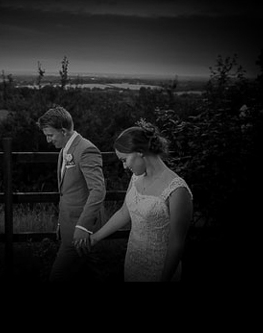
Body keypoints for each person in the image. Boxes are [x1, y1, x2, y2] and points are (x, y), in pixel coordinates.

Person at [75, 122, 189, 282]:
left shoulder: (177, 190)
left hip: (161, 269)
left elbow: (176, 243)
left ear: (140, 152)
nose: (123, 166)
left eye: (124, 160)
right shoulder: (136, 178)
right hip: (133, 263)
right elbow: (124, 212)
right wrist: (94, 238)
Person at [39, 107, 105, 282]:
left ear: (63, 131)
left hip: (80, 231)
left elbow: (98, 190)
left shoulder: (86, 150)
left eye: (50, 135)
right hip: (69, 228)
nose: (48, 140)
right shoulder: (65, 150)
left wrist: (82, 227)